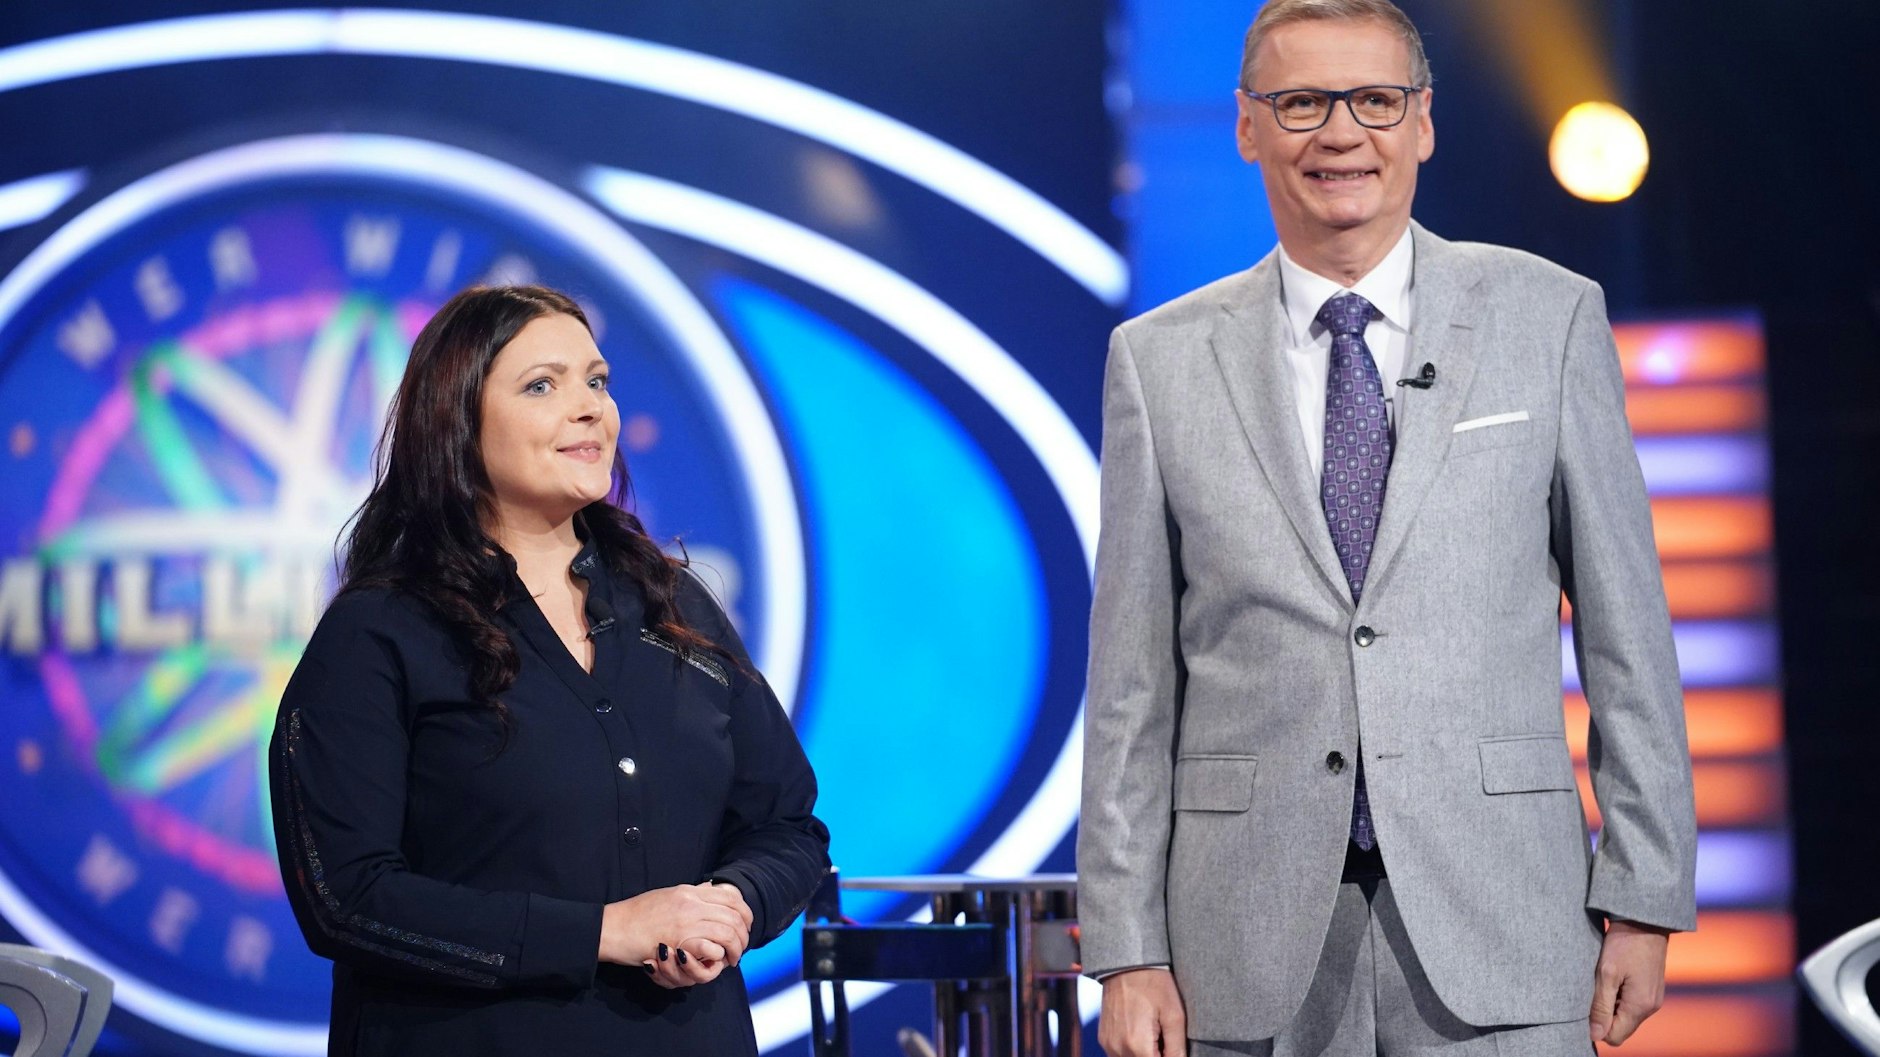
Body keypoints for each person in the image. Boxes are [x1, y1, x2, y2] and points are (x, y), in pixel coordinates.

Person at [1076, 2, 1697, 1055]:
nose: (1338, 134)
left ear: (1421, 122)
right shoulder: (1157, 360)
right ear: (1246, 126)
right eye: (1301, 102)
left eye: (1372, 100)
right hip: (1243, 939)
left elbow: (1626, 637)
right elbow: (1129, 685)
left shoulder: (1546, 316)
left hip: (1503, 917)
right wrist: (1127, 948)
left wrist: (1644, 893)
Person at [268, 284, 829, 1057]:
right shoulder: (381, 631)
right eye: (543, 385)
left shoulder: (675, 607)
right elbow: (347, 897)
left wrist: (732, 902)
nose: (590, 407)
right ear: (458, 423)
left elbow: (788, 825)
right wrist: (607, 931)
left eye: (596, 381)